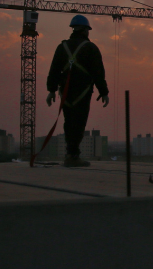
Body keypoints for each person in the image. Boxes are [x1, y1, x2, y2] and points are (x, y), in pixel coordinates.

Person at [46, 15, 109, 167]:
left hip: (66, 93)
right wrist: (104, 91)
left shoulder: (62, 47)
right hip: (83, 92)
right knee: (79, 123)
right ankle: (73, 156)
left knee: (69, 123)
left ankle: (70, 154)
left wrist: (52, 91)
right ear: (86, 30)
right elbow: (98, 72)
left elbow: (54, 70)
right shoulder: (90, 48)